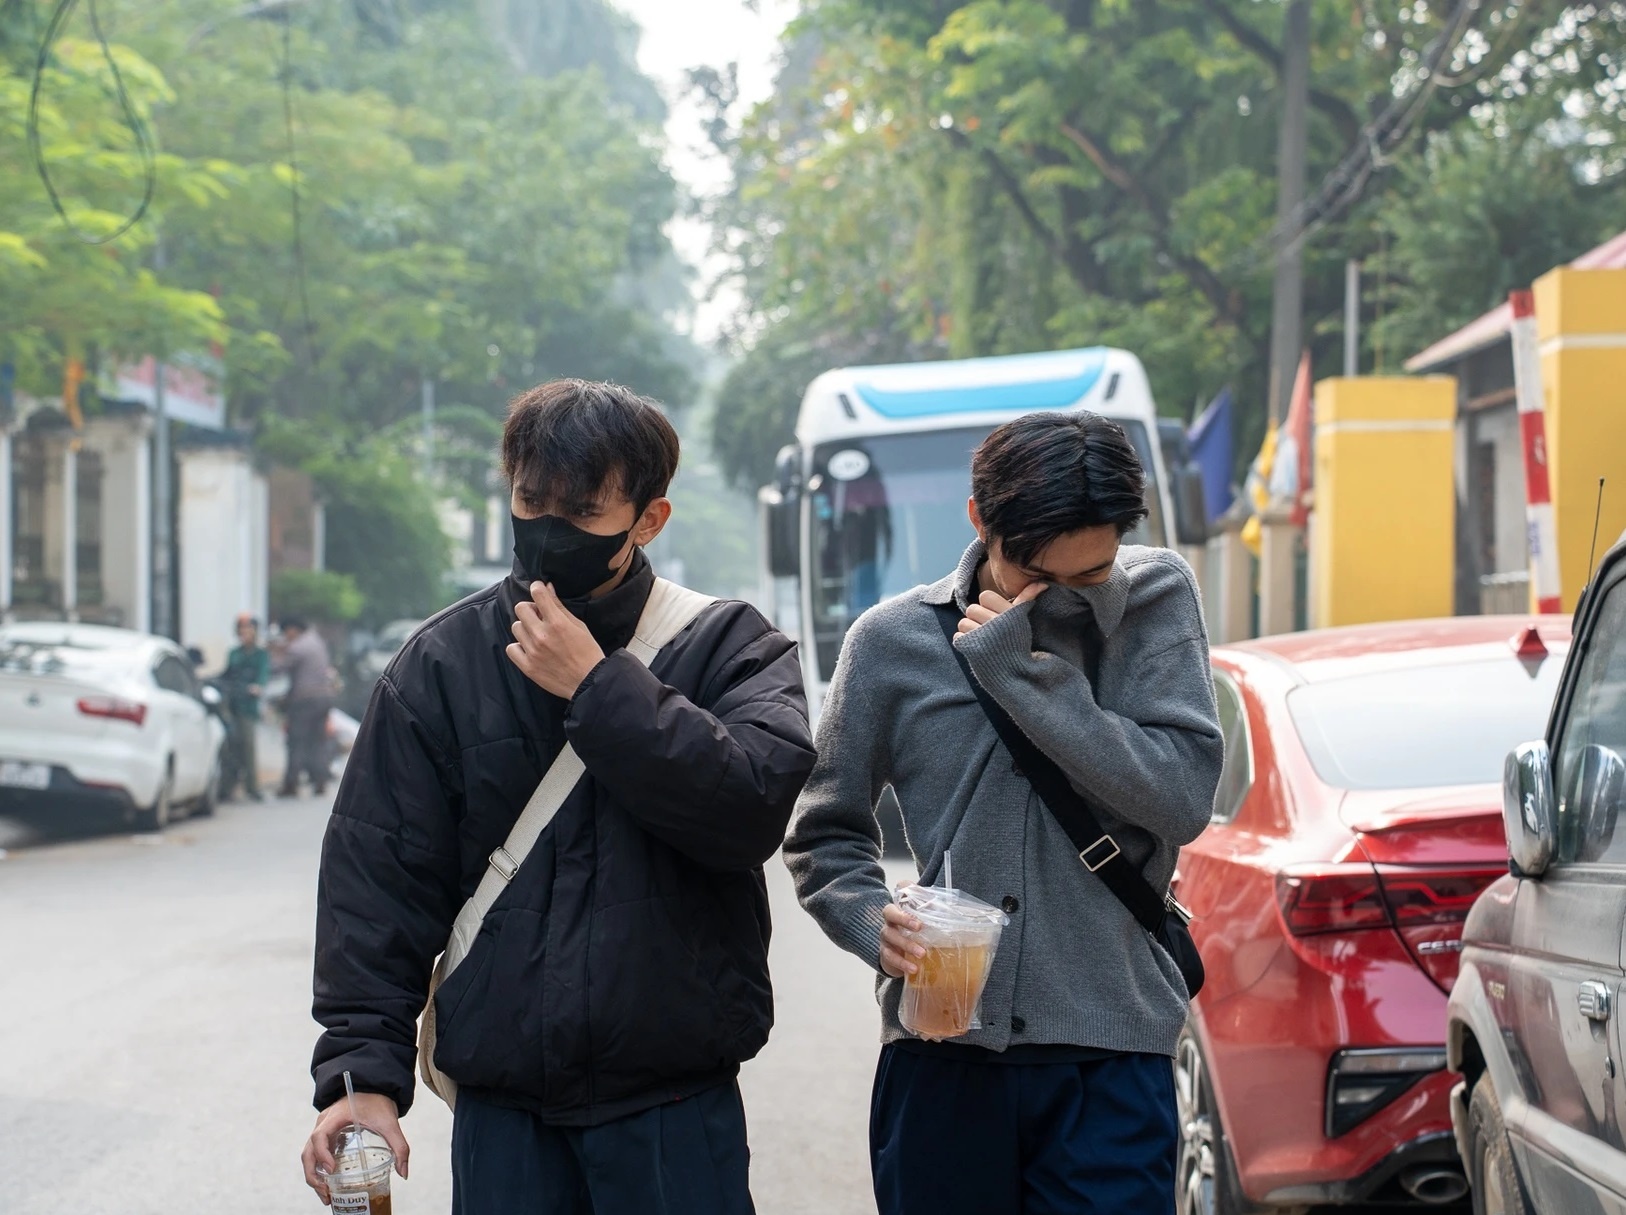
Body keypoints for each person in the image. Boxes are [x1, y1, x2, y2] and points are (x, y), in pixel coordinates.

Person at [301, 379, 815, 1215]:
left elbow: (749, 807)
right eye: (531, 501)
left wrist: (599, 686)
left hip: (674, 1107)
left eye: (582, 513)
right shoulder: (441, 663)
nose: (548, 530)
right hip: (507, 1115)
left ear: (649, 520)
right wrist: (361, 1076)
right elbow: (378, 880)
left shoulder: (729, 645)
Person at [785, 411, 1224, 1214]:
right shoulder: (890, 641)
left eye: (1086, 578)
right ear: (980, 520)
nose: (1054, 599)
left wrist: (1030, 680)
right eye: (1034, 575)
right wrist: (867, 918)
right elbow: (824, 830)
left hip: (1112, 1053)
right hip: (942, 1053)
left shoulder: (1156, 598)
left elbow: (1182, 796)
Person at [275, 616, 334, 798]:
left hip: (305, 699)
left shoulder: (297, 647)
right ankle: (320, 781)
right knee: (317, 741)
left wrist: (277, 652)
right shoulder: (317, 642)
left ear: (293, 630)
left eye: (286, 632)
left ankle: (291, 784)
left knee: (297, 741)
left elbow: (277, 668)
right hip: (324, 697)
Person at [222, 614, 271, 801]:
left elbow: (262, 676)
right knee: (231, 748)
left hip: (247, 707)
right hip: (232, 704)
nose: (245, 634)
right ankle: (229, 787)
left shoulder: (260, 655)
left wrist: (257, 687)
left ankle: (252, 787)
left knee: (248, 747)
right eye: (241, 631)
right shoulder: (234, 653)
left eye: (248, 630)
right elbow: (227, 674)